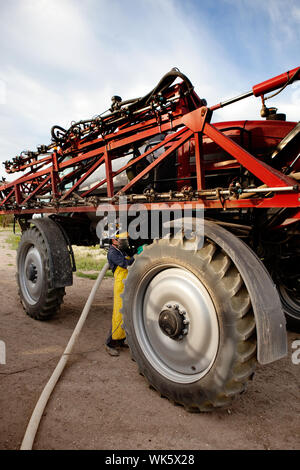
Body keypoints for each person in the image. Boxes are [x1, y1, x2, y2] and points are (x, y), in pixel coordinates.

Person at [105, 231, 134, 356]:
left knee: (126, 313)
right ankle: (110, 344)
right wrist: (136, 257)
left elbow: (130, 258)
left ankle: (121, 341)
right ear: (113, 241)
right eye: (121, 240)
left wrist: (137, 252)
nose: (124, 241)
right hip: (120, 286)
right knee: (118, 315)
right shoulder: (112, 253)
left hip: (126, 284)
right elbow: (125, 264)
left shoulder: (122, 251)